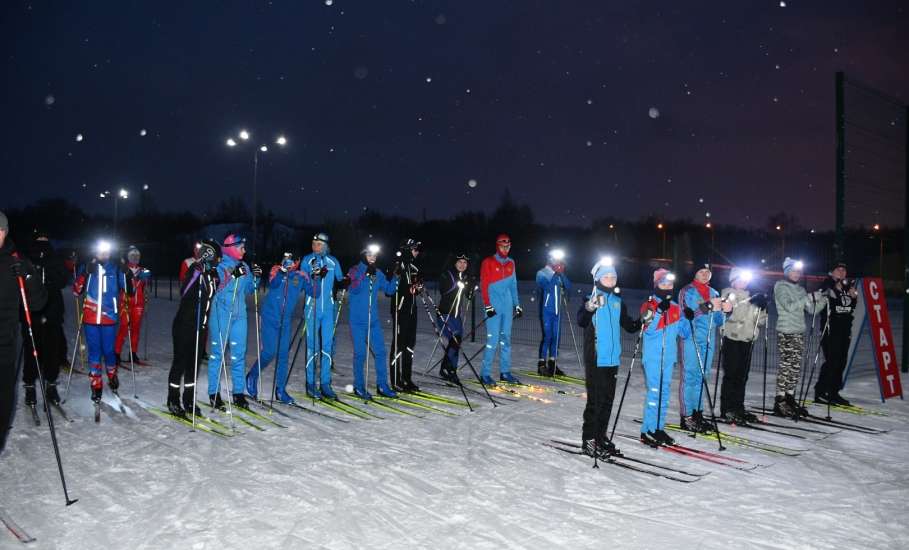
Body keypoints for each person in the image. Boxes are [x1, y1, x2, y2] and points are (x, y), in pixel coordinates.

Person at [576, 257, 643, 458]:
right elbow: (581, 320)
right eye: (606, 276)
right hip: (596, 357)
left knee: (607, 401)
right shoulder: (590, 298)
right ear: (598, 278)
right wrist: (590, 307)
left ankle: (600, 436)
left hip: (613, 359)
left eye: (613, 276)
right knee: (595, 402)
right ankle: (588, 439)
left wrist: (642, 321)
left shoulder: (617, 302)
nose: (610, 280)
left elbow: (629, 326)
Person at [1, 211, 47, 454]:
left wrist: (28, 278)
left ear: (5, 232)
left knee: (3, 406)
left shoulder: (16, 262)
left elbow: (39, 303)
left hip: (5, 346)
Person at [246, 252, 313, 404]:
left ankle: (280, 390)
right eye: (285, 258)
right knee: (269, 352)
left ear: (298, 261)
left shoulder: (301, 276)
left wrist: (316, 277)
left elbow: (314, 293)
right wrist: (283, 271)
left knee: (283, 355)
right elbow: (274, 283)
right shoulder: (276, 270)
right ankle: (252, 375)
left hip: (286, 320)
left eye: (291, 259)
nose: (288, 261)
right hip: (270, 317)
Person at [206, 234, 261, 409]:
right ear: (231, 247)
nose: (244, 251)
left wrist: (256, 278)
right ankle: (214, 393)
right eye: (241, 248)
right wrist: (232, 277)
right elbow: (217, 287)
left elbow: (249, 290)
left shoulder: (244, 265)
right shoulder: (221, 265)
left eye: (244, 248)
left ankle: (238, 393)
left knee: (239, 355)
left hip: (240, 315)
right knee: (218, 354)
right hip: (221, 313)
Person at [166, 239, 220, 416]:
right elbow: (184, 291)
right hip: (184, 325)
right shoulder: (195, 270)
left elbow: (218, 288)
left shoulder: (213, 275)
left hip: (200, 327)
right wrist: (196, 273)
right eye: (217, 257)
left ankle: (188, 400)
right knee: (180, 363)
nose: (218, 260)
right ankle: (173, 399)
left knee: (193, 367)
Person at [639, 269, 691, 447]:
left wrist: (688, 318)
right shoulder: (649, 304)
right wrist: (660, 312)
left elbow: (683, 333)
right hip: (653, 357)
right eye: (663, 284)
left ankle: (658, 428)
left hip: (669, 358)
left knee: (664, 394)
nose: (667, 287)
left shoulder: (676, 307)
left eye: (670, 284)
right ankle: (648, 430)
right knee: (655, 393)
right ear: (656, 285)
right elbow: (648, 329)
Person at [72, 240, 129, 402]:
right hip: (90, 318)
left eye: (106, 251)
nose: (103, 254)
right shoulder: (88, 267)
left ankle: (112, 375)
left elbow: (127, 289)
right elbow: (76, 291)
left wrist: (126, 273)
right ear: (95, 252)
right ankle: (96, 385)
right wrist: (83, 274)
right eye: (100, 251)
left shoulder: (115, 268)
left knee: (109, 351)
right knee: (94, 353)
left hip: (109, 318)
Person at [677, 263, 730, 432]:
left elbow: (719, 321)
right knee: (690, 377)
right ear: (695, 273)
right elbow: (686, 316)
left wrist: (727, 311)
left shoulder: (714, 292)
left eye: (708, 272)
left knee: (702, 377)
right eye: (701, 271)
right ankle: (686, 417)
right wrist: (706, 307)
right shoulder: (687, 291)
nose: (705, 274)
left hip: (708, 340)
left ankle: (697, 413)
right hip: (691, 338)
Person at [773, 257, 827, 418]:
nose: (797, 274)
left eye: (798, 271)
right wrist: (808, 298)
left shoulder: (801, 290)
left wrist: (822, 298)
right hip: (786, 331)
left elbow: (812, 310)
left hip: (798, 331)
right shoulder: (780, 286)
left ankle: (790, 397)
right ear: (787, 271)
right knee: (786, 365)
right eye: (793, 271)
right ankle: (780, 400)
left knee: (795, 366)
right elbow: (788, 306)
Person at [19, 230, 68, 408]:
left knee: (51, 350)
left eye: (45, 239)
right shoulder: (27, 258)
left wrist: (53, 266)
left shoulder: (54, 258)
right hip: (32, 311)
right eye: (39, 239)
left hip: (52, 310)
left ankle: (50, 385)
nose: (42, 242)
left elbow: (63, 280)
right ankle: (30, 386)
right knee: (32, 350)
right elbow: (20, 283)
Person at [346, 244, 399, 399]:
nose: (372, 258)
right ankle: (359, 386)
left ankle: (382, 385)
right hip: (358, 321)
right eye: (369, 255)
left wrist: (396, 276)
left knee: (381, 352)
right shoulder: (354, 270)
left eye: (375, 256)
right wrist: (364, 276)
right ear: (363, 255)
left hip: (373, 321)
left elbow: (389, 290)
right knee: (360, 354)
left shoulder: (378, 273)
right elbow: (353, 289)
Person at [718, 268, 767, 424]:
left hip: (747, 339)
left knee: (742, 376)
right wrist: (750, 301)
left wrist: (763, 308)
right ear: (733, 281)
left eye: (745, 280)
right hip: (732, 338)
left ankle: (738, 407)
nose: (743, 283)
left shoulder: (753, 297)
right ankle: (726, 409)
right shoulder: (727, 293)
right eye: (740, 280)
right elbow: (733, 312)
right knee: (731, 374)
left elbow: (760, 321)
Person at [300, 232, 344, 399]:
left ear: (325, 245)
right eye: (313, 243)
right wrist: (314, 276)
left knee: (327, 346)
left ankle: (325, 383)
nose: (315, 246)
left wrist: (345, 282)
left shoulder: (333, 261)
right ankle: (310, 383)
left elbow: (341, 278)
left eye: (318, 244)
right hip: (312, 307)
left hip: (328, 309)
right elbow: (303, 280)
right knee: (313, 347)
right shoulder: (307, 260)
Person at [479, 234, 522, 385]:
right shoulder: (488, 262)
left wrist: (517, 304)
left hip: (507, 305)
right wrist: (487, 305)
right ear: (498, 246)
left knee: (506, 339)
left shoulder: (511, 262)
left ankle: (505, 372)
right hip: (494, 305)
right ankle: (485, 374)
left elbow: (513, 284)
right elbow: (484, 285)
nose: (506, 248)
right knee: (493, 339)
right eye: (503, 246)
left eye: (508, 246)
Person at [814, 262, 858, 406]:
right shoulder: (826, 284)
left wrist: (854, 297)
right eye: (838, 269)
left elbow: (848, 308)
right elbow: (819, 298)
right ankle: (821, 391)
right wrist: (832, 289)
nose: (841, 272)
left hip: (844, 330)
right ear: (831, 272)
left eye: (843, 269)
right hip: (830, 330)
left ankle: (833, 392)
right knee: (832, 361)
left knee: (841, 362)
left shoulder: (847, 286)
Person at [390, 238, 423, 392]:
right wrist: (407, 288)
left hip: (411, 310)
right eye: (415, 249)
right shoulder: (399, 264)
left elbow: (414, 288)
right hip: (400, 309)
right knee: (399, 345)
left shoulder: (414, 266)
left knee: (410, 345)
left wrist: (417, 287)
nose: (417, 252)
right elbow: (392, 287)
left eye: (418, 249)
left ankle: (406, 378)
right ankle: (396, 379)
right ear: (408, 249)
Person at [436, 253, 473, 384]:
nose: (462, 265)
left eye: (465, 263)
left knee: (456, 342)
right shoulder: (448, 274)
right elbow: (444, 290)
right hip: (444, 314)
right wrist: (458, 285)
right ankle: (448, 369)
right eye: (460, 262)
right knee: (455, 340)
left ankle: (450, 369)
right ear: (455, 263)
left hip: (456, 316)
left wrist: (470, 289)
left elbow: (468, 294)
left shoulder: (465, 277)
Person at [536, 249, 571, 376]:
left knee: (556, 338)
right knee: (547, 337)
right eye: (555, 259)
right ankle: (541, 364)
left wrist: (561, 274)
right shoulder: (542, 272)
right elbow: (545, 286)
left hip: (557, 312)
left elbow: (568, 286)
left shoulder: (558, 272)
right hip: (547, 311)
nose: (557, 262)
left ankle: (552, 363)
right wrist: (555, 274)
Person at [115, 245, 152, 365]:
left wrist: (146, 282)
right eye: (132, 256)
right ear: (128, 257)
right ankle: (116, 353)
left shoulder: (143, 270)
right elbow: (121, 283)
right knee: (124, 327)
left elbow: (145, 286)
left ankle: (133, 353)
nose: (135, 258)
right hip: (125, 302)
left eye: (137, 256)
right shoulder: (123, 269)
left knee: (136, 329)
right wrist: (134, 277)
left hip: (138, 303)